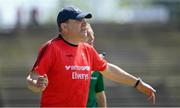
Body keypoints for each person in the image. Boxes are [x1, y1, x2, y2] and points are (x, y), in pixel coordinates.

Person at [26, 6, 156, 107]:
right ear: (64, 26)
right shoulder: (51, 48)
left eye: (84, 20)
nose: (84, 23)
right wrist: (36, 84)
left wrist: (137, 83)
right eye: (78, 20)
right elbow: (32, 77)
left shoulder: (87, 50)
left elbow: (108, 70)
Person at [84, 23, 107, 107]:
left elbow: (100, 93)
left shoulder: (97, 62)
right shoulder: (70, 60)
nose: (92, 37)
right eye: (88, 34)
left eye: (92, 34)